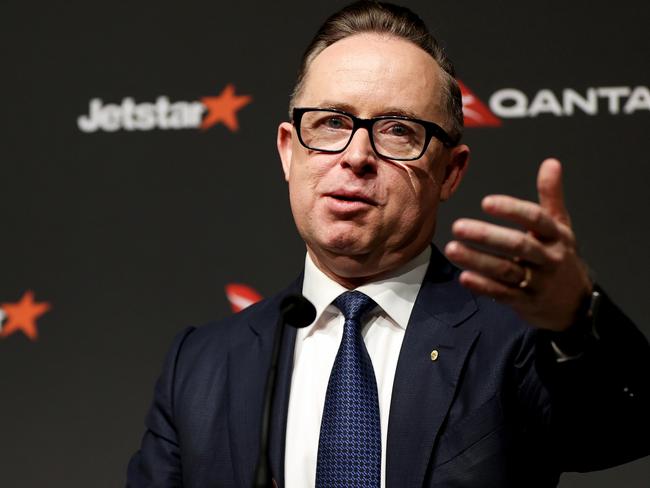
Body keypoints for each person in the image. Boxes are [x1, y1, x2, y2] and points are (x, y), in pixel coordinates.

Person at [127, 2, 650, 487]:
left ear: (450, 171)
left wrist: (579, 318)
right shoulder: (201, 364)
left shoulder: (516, 340)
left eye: (398, 129)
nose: (356, 155)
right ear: (289, 152)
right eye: (332, 122)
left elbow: (620, 432)